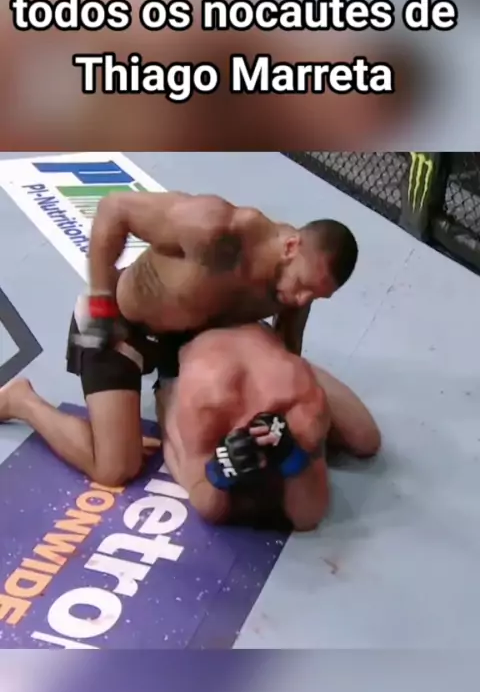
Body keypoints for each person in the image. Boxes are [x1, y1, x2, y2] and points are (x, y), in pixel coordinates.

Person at [0, 191, 359, 490]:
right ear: (291, 246)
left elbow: (286, 352)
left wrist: (276, 417)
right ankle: (22, 401)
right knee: (114, 468)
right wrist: (100, 300)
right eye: (303, 287)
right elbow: (114, 208)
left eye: (316, 296)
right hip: (125, 327)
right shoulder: (217, 229)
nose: (301, 300)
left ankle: (167, 393)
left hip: (190, 341)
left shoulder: (298, 284)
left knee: (228, 441)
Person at [154, 322, 380, 531]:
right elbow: (206, 504)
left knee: (365, 438)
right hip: (188, 344)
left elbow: (308, 517)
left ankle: (290, 362)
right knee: (180, 458)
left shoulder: (301, 409)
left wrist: (293, 457)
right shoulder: (205, 406)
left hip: (265, 353)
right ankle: (166, 389)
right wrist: (219, 471)